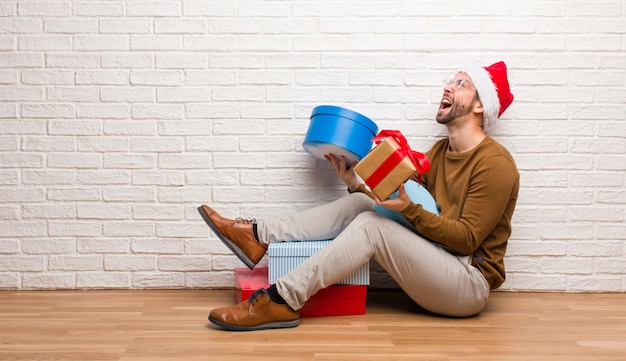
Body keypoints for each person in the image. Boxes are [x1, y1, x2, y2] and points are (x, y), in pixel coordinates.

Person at [199, 61, 519, 331]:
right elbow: (409, 210)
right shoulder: (439, 152)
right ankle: (255, 235)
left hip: (466, 283)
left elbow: (464, 239)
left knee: (371, 226)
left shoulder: (495, 164)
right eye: (450, 81)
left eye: (461, 83)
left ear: (480, 105)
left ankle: (281, 299)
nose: (448, 87)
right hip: (437, 260)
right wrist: (355, 184)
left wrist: (409, 211)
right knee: (361, 203)